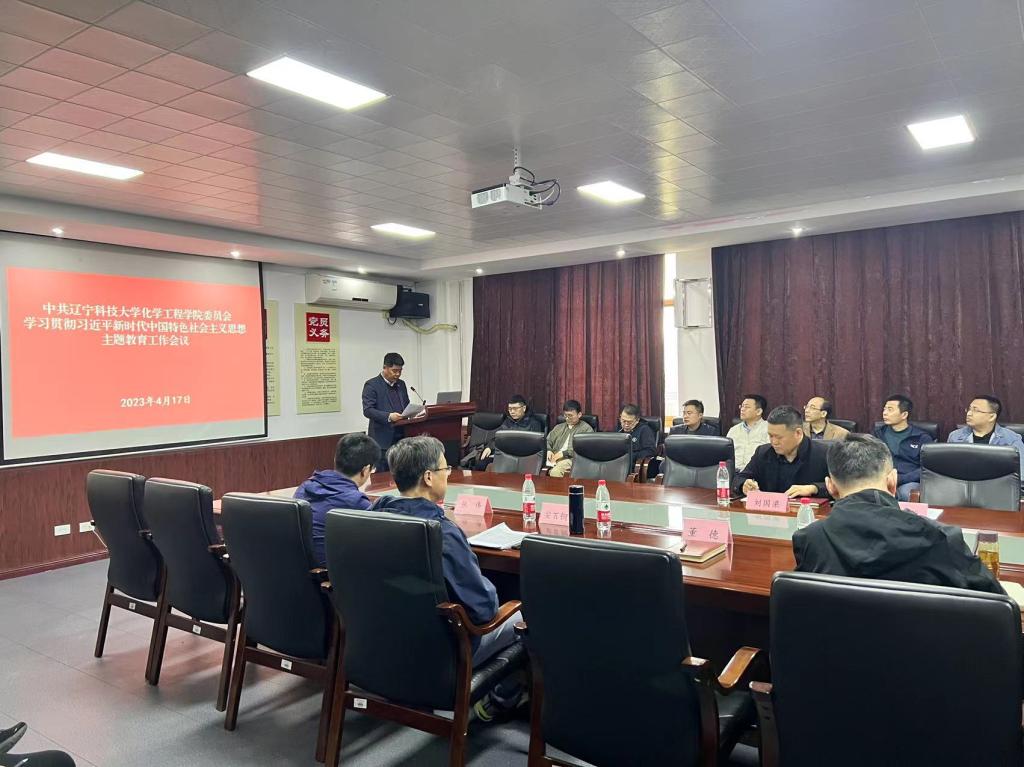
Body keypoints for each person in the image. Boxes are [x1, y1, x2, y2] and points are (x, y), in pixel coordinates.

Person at [372, 436, 525, 719]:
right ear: (429, 477)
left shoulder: (372, 517)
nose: (449, 475)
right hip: (445, 650)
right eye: (445, 469)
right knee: (526, 615)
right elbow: (483, 610)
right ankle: (499, 700)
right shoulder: (442, 533)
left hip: (387, 640)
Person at [793, 435, 1004, 594]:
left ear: (830, 487)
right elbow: (994, 600)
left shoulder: (810, 538)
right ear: (892, 481)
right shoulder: (938, 536)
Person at [293, 433, 380, 567]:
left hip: (298, 568)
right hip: (330, 573)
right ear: (366, 469)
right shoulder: (356, 502)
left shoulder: (304, 487)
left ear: (335, 459)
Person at [732, 405, 830, 498]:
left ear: (798, 433)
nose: (774, 442)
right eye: (770, 436)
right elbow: (738, 479)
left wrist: (814, 488)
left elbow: (838, 487)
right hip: (770, 509)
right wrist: (744, 485)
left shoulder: (824, 454)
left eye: (779, 437)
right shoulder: (763, 453)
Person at [872, 394, 933, 501]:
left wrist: (900, 479)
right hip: (882, 479)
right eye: (884, 409)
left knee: (905, 493)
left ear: (904, 414)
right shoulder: (878, 434)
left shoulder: (921, 438)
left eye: (890, 409)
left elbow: (926, 468)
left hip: (909, 481)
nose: (885, 413)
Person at [460, 394, 544, 470]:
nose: (512, 412)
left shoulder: (534, 424)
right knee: (481, 463)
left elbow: (537, 446)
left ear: (524, 408)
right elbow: (498, 437)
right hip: (505, 455)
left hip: (524, 457)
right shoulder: (508, 421)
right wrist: (489, 447)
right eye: (510, 409)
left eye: (515, 409)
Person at [947, 395, 1024, 477]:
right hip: (964, 482)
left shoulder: (1011, 439)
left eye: (976, 410)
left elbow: (1021, 472)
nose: (969, 413)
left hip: (998, 483)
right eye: (969, 409)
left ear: (992, 417)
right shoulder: (955, 436)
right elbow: (949, 469)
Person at [361, 352, 411, 469]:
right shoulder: (372, 385)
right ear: (385, 368)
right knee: (382, 475)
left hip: (402, 438)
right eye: (394, 371)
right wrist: (389, 416)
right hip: (382, 440)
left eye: (400, 371)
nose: (397, 374)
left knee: (401, 471)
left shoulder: (401, 384)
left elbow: (406, 406)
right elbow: (368, 410)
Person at [546, 400, 594, 477]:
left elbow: (584, 448)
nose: (567, 418)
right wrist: (549, 450)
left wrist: (563, 453)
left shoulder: (586, 429)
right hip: (553, 458)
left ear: (579, 414)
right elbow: (547, 440)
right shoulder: (558, 427)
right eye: (565, 415)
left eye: (570, 415)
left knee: (555, 472)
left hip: (571, 459)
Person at [725, 394, 769, 470]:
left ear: (758, 411)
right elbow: (725, 454)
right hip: (733, 472)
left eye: (747, 407)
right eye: (742, 406)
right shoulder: (733, 430)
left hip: (757, 472)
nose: (742, 409)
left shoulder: (768, 428)